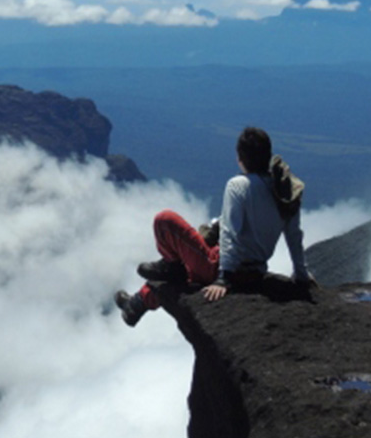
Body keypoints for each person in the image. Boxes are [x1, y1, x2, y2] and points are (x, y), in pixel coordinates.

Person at [115, 127, 311, 326]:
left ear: (240, 157)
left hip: (224, 268)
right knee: (189, 255)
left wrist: (223, 278)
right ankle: (136, 305)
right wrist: (301, 275)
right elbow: (293, 235)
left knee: (164, 220)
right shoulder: (285, 190)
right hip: (255, 272)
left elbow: (230, 233)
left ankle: (165, 274)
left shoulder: (238, 185)